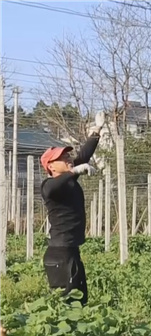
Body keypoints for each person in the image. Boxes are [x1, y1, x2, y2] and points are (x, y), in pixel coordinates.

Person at [39, 112, 104, 305]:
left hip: (71, 252)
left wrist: (97, 130)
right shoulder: (49, 186)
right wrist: (76, 170)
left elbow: (84, 155)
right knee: (66, 305)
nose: (68, 157)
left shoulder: (67, 177)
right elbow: (55, 186)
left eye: (67, 154)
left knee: (80, 302)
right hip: (59, 254)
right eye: (62, 157)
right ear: (51, 166)